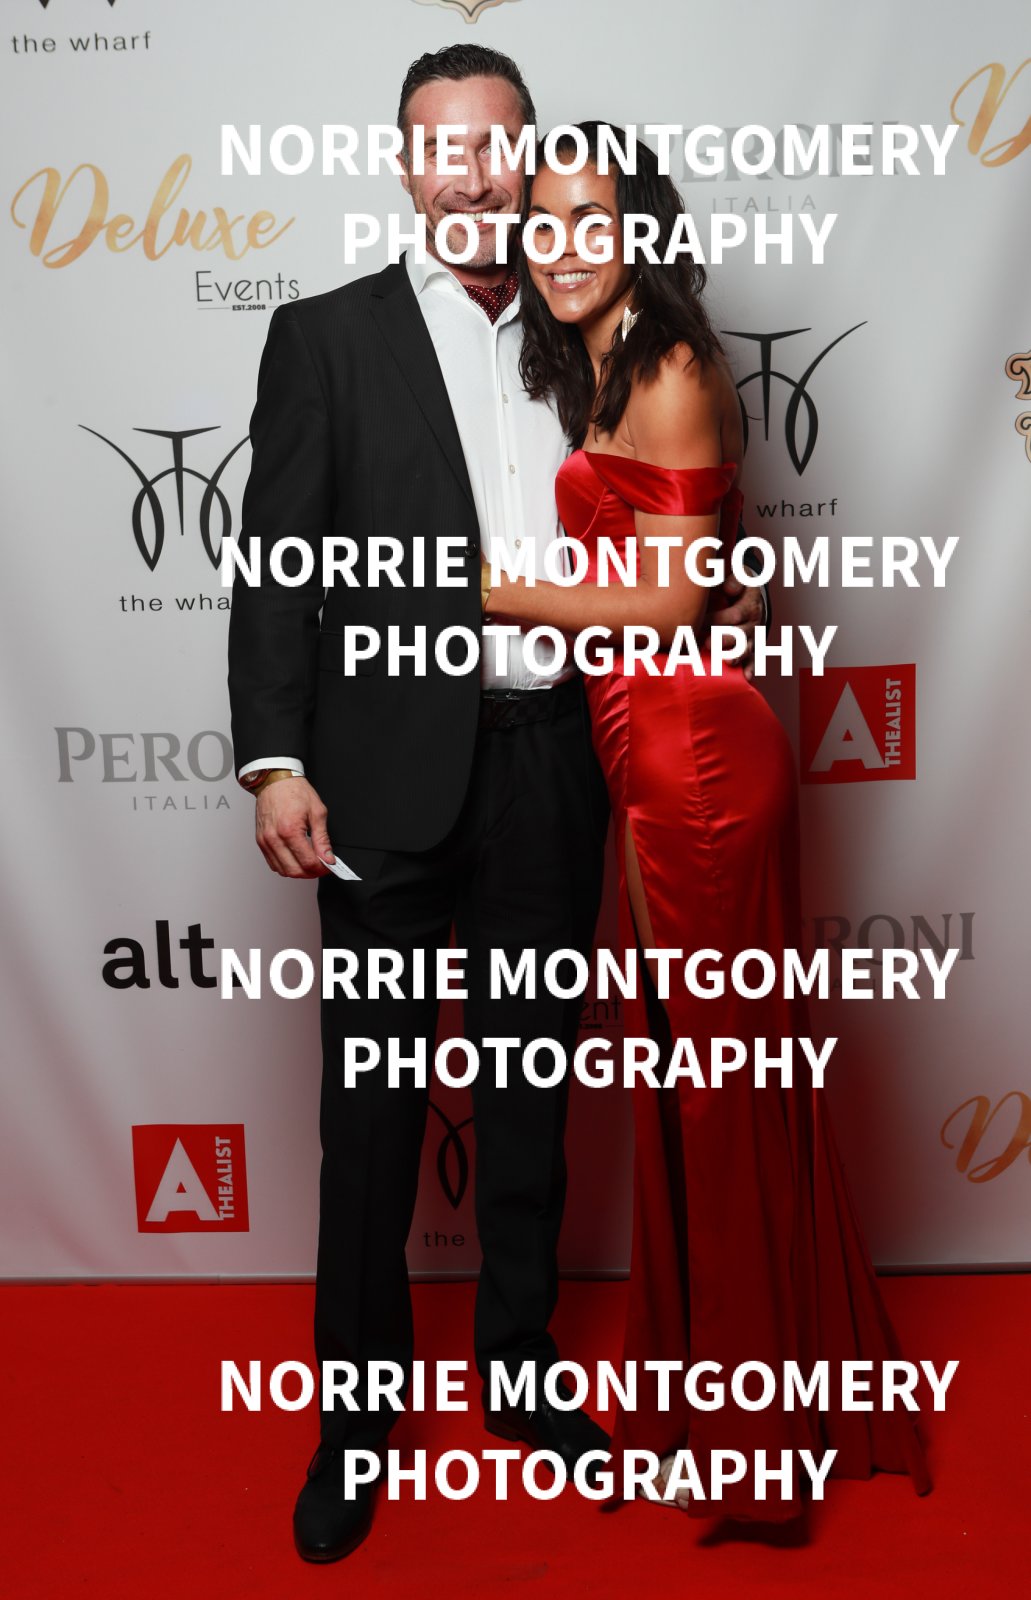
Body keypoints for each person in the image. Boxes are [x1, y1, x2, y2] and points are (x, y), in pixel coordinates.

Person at [228, 50, 768, 1561]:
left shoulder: (591, 326)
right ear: (405, 166)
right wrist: (275, 761)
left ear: (530, 167)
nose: (468, 173)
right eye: (438, 145)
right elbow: (275, 566)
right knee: (370, 1117)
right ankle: (356, 1421)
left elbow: (670, 519)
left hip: (553, 765)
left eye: (495, 148)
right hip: (381, 780)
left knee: (532, 1095)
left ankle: (523, 1371)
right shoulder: (325, 337)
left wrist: (704, 597)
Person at [484, 121, 931, 1519]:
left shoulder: (670, 366)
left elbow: (672, 600)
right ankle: (725, 1400)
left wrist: (501, 594)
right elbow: (699, 565)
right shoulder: (610, 365)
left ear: (642, 231)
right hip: (655, 746)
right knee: (699, 1086)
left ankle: (754, 1445)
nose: (562, 248)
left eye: (592, 219)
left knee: (721, 1091)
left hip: (696, 762)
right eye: (543, 222)